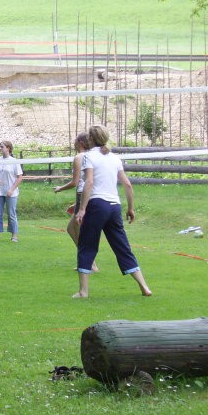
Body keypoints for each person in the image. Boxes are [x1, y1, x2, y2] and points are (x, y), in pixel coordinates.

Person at [74, 125, 152, 299]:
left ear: (90, 139)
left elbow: (89, 183)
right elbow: (128, 184)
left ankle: (83, 292)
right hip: (114, 207)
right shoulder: (114, 158)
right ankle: (144, 286)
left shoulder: (89, 156)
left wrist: (82, 209)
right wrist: (131, 208)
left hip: (97, 205)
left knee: (87, 246)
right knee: (123, 247)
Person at [53, 133, 98, 272]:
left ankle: (90, 264)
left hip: (82, 194)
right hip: (86, 195)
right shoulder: (93, 156)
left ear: (80, 142)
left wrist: (60, 188)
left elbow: (75, 182)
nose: (73, 143)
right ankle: (88, 262)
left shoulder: (79, 157)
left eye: (75, 140)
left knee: (78, 231)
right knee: (71, 229)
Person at [0, 140, 23, 242]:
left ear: (8, 148)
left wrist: (11, 190)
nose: (0, 148)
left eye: (2, 147)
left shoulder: (14, 161)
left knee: (11, 214)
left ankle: (14, 236)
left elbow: (19, 177)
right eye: (0, 146)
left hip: (11, 193)